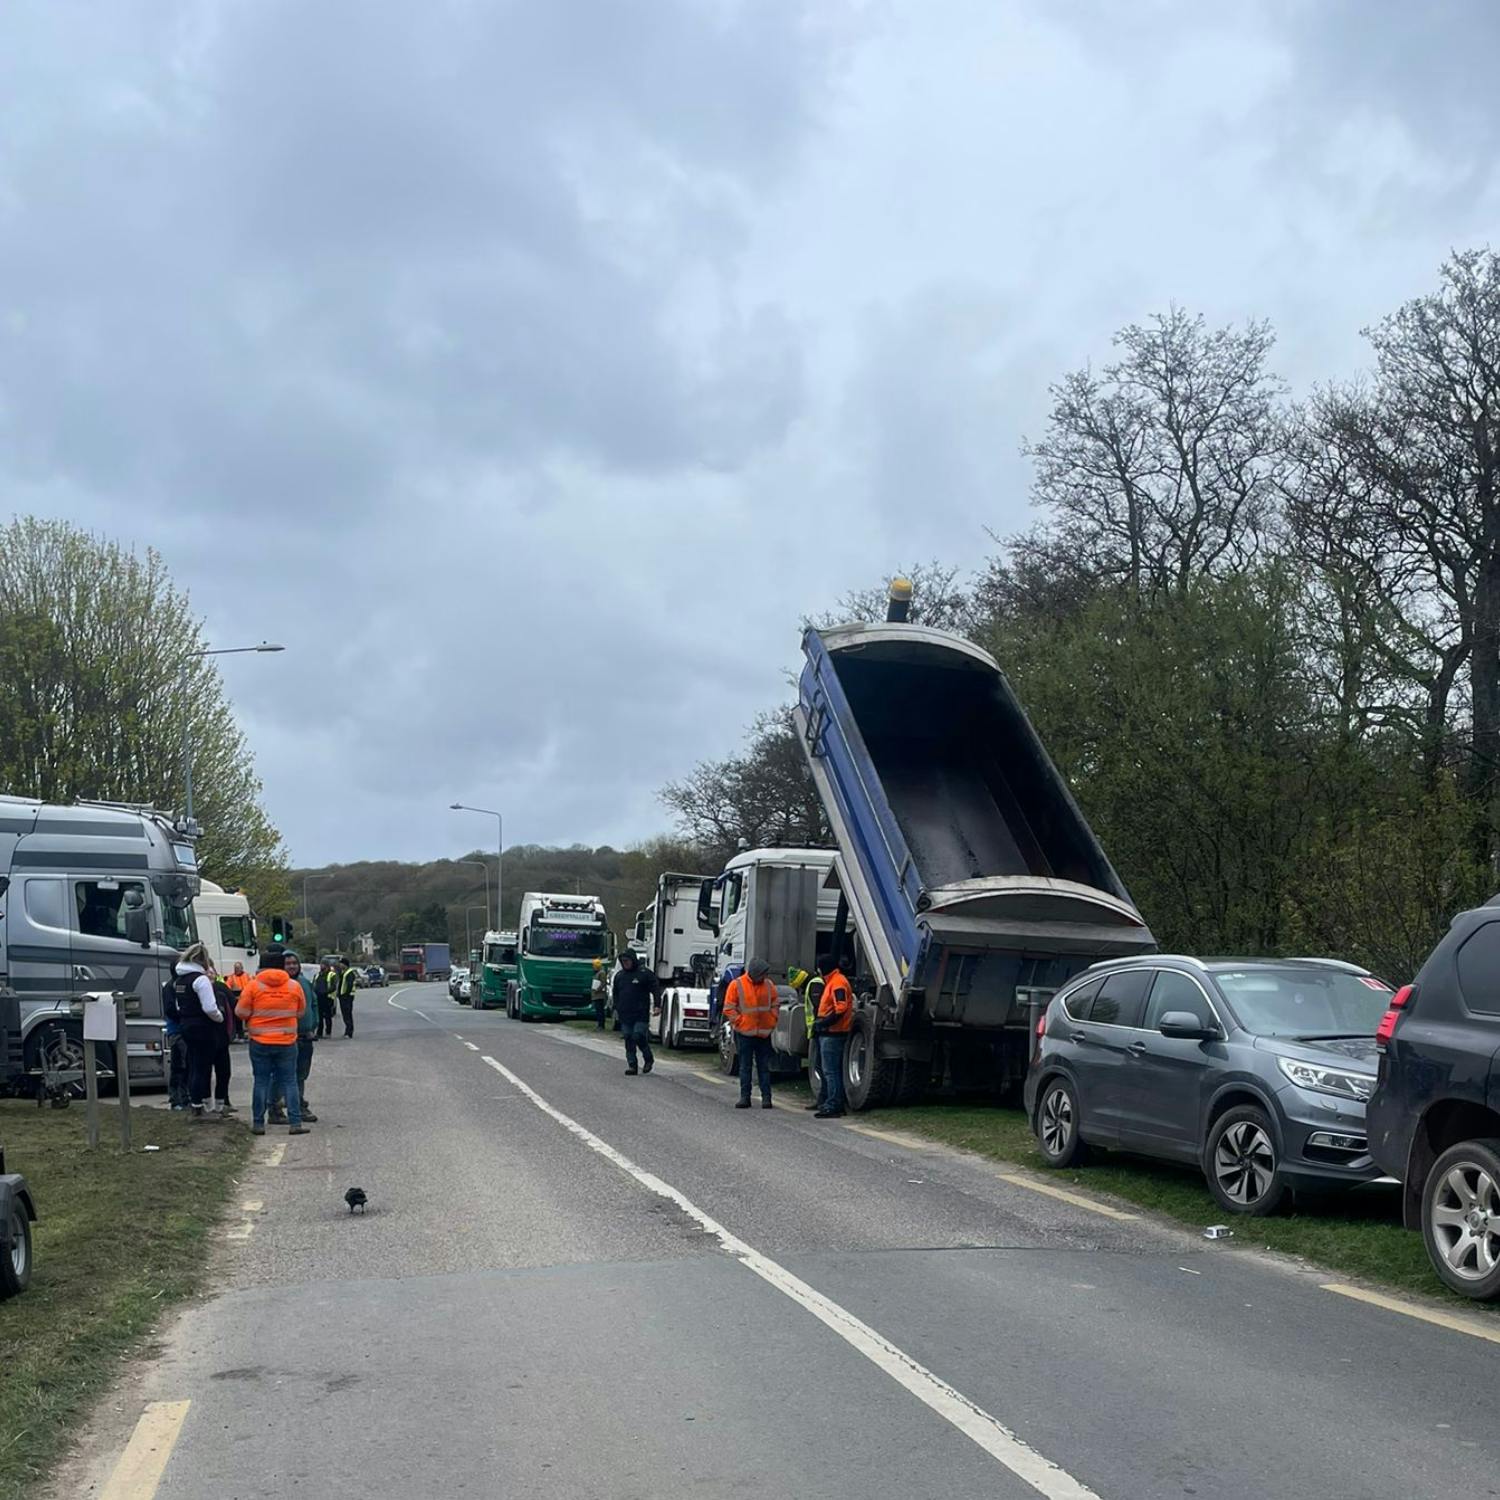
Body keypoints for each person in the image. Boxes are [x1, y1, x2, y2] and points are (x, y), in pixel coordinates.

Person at [235, 946, 308, 1136]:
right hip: (287, 1041)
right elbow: (301, 1012)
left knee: (261, 1081)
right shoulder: (294, 986)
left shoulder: (253, 985)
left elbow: (240, 1012)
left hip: (260, 1041)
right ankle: (295, 1123)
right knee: (290, 1081)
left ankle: (258, 1123)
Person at [168, 943, 226, 1121]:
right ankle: (199, 1109)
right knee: (203, 1068)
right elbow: (209, 1007)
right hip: (202, 1027)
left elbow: (178, 1005)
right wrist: (220, 1017)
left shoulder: (179, 981)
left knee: (193, 1066)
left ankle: (195, 1105)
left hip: (186, 1025)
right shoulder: (200, 980)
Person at [723, 958, 780, 1110]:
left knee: (763, 1067)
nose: (765, 977)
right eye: (763, 974)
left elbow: (775, 1004)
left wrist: (772, 1020)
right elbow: (729, 1008)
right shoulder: (737, 985)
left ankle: (766, 1099)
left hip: (763, 1034)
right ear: (755, 973)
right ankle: (745, 1097)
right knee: (745, 1066)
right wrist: (740, 1022)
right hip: (745, 1033)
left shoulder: (769, 985)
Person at [270, 953, 319, 1125]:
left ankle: (299, 1105)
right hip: (286, 1037)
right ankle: (276, 1108)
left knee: (300, 1075)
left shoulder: (305, 983)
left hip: (305, 1036)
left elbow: (313, 1003)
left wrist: (314, 1025)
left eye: (294, 963)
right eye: (287, 963)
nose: (291, 966)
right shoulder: (278, 984)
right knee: (282, 1076)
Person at [811, 954, 854, 1119]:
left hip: (833, 1034)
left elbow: (840, 1008)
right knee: (828, 1070)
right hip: (829, 1033)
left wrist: (824, 1023)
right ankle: (832, 1102)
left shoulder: (837, 983)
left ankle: (834, 1105)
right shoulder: (833, 981)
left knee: (831, 1071)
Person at [611, 949, 659, 1075]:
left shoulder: (644, 974)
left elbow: (655, 988)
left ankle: (648, 1058)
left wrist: (657, 1005)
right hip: (625, 1014)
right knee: (628, 1038)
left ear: (633, 959)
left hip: (640, 1013)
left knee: (638, 1036)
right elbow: (615, 993)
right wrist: (615, 1009)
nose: (625, 963)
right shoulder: (620, 976)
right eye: (623, 961)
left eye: (627, 961)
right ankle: (632, 1065)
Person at [787, 966, 826, 1111]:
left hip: (819, 1032)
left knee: (821, 1068)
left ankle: (824, 1100)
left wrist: (817, 1025)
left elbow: (817, 1008)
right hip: (816, 1032)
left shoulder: (814, 984)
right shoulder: (814, 982)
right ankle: (822, 1100)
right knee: (819, 1067)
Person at [338, 957, 359, 1038]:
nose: (340, 965)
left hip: (347, 997)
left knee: (347, 1014)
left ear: (345, 964)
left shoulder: (349, 973)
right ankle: (347, 1031)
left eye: (341, 963)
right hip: (343, 996)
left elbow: (349, 985)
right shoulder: (344, 972)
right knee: (345, 1015)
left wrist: (345, 994)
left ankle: (349, 1032)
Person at [315, 961, 336, 1038]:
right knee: (319, 1016)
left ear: (327, 966)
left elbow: (333, 986)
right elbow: (315, 984)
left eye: (323, 964)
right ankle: (319, 1033)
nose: (321, 966)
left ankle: (328, 1032)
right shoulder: (318, 975)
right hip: (319, 997)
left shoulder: (331, 974)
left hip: (327, 998)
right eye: (321, 964)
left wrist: (325, 992)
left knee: (327, 1016)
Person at [591, 959, 609, 1029]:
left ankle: (601, 1025)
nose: (593, 967)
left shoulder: (601, 973)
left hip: (599, 995)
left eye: (594, 966)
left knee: (600, 1011)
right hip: (596, 995)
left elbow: (603, 983)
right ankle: (599, 1024)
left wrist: (597, 990)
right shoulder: (597, 973)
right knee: (598, 1010)